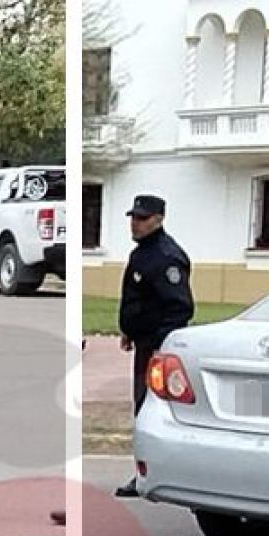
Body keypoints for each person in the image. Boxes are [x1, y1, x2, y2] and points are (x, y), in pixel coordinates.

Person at [115, 194, 194, 498]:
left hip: (157, 348)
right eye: (133, 217)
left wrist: (160, 347)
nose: (135, 223)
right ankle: (143, 470)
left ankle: (152, 473)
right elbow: (140, 297)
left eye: (142, 218)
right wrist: (129, 330)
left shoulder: (165, 256)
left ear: (159, 219)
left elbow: (179, 308)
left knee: (152, 409)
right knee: (141, 406)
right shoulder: (143, 252)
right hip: (144, 342)